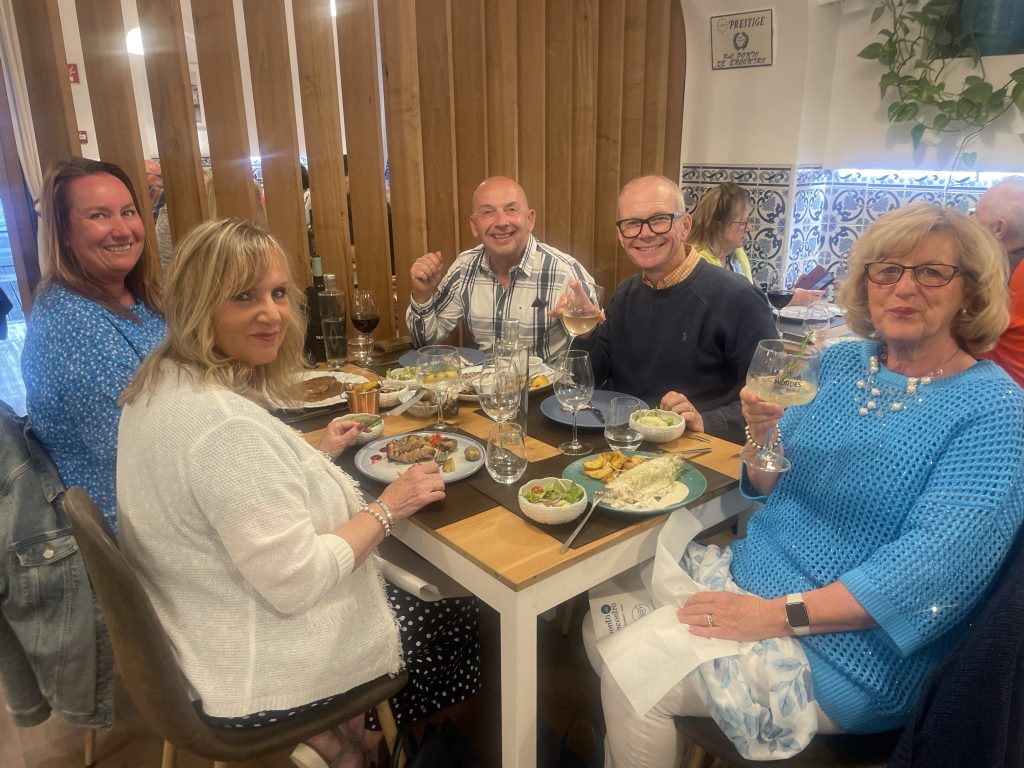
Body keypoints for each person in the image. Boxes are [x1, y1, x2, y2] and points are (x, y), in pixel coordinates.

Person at [597, 202, 1024, 767]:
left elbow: (924, 578)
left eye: (932, 272)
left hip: (851, 651)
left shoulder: (995, 412)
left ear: (970, 291)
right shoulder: (840, 363)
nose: (904, 287)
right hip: (748, 578)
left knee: (630, 676)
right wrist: (761, 432)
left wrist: (771, 616)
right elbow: (767, 483)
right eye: (886, 271)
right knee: (602, 608)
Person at [116, 219, 480, 768]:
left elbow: (233, 496)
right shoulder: (222, 427)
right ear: (197, 303)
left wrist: (315, 455)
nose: (272, 314)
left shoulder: (159, 383)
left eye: (279, 293)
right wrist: (390, 507)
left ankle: (340, 741)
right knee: (459, 616)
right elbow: (298, 580)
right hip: (250, 669)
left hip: (194, 629)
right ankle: (366, 744)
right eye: (244, 296)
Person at [21, 157, 165, 534]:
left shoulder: (140, 297)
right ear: (65, 233)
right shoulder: (70, 324)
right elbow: (138, 452)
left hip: (171, 501)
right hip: (137, 529)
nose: (122, 229)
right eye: (99, 215)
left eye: (128, 212)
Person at [578, 175, 777, 444]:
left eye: (659, 219)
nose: (645, 233)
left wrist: (705, 421)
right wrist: (587, 330)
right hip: (626, 449)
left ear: (685, 226)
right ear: (621, 236)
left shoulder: (738, 297)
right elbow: (588, 381)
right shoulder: (624, 295)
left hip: (704, 454)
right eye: (632, 224)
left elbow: (773, 400)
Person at [406, 176, 595, 359]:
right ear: (474, 226)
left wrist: (587, 329)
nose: (501, 222)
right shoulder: (464, 268)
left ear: (530, 220)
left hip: (546, 381)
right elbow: (424, 344)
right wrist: (422, 294)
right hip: (483, 380)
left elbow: (598, 350)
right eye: (488, 212)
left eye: (511, 210)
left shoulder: (565, 272)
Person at [689, 181, 824, 306]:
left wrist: (787, 295)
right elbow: (731, 309)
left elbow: (749, 301)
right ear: (719, 227)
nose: (749, 228)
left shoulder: (735, 255)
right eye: (743, 223)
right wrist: (789, 300)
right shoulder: (698, 265)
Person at [974, 176, 1024, 386]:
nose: (970, 220)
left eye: (976, 214)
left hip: (1007, 397)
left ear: (998, 229)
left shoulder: (999, 276)